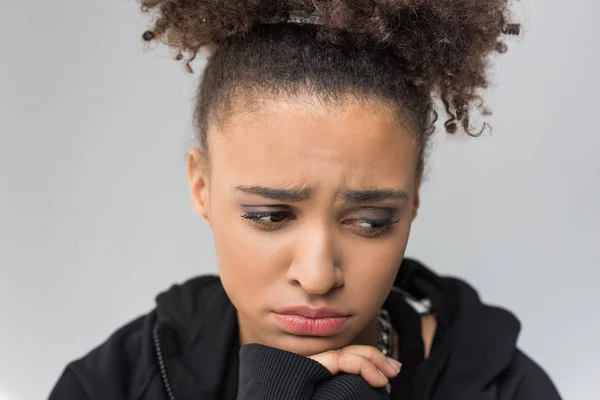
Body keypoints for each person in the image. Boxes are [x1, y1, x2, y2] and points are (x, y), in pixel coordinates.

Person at [49, 1, 562, 399]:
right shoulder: (113, 385)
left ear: (412, 203)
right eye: (269, 215)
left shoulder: (505, 388)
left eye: (371, 221)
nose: (317, 277)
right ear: (201, 188)